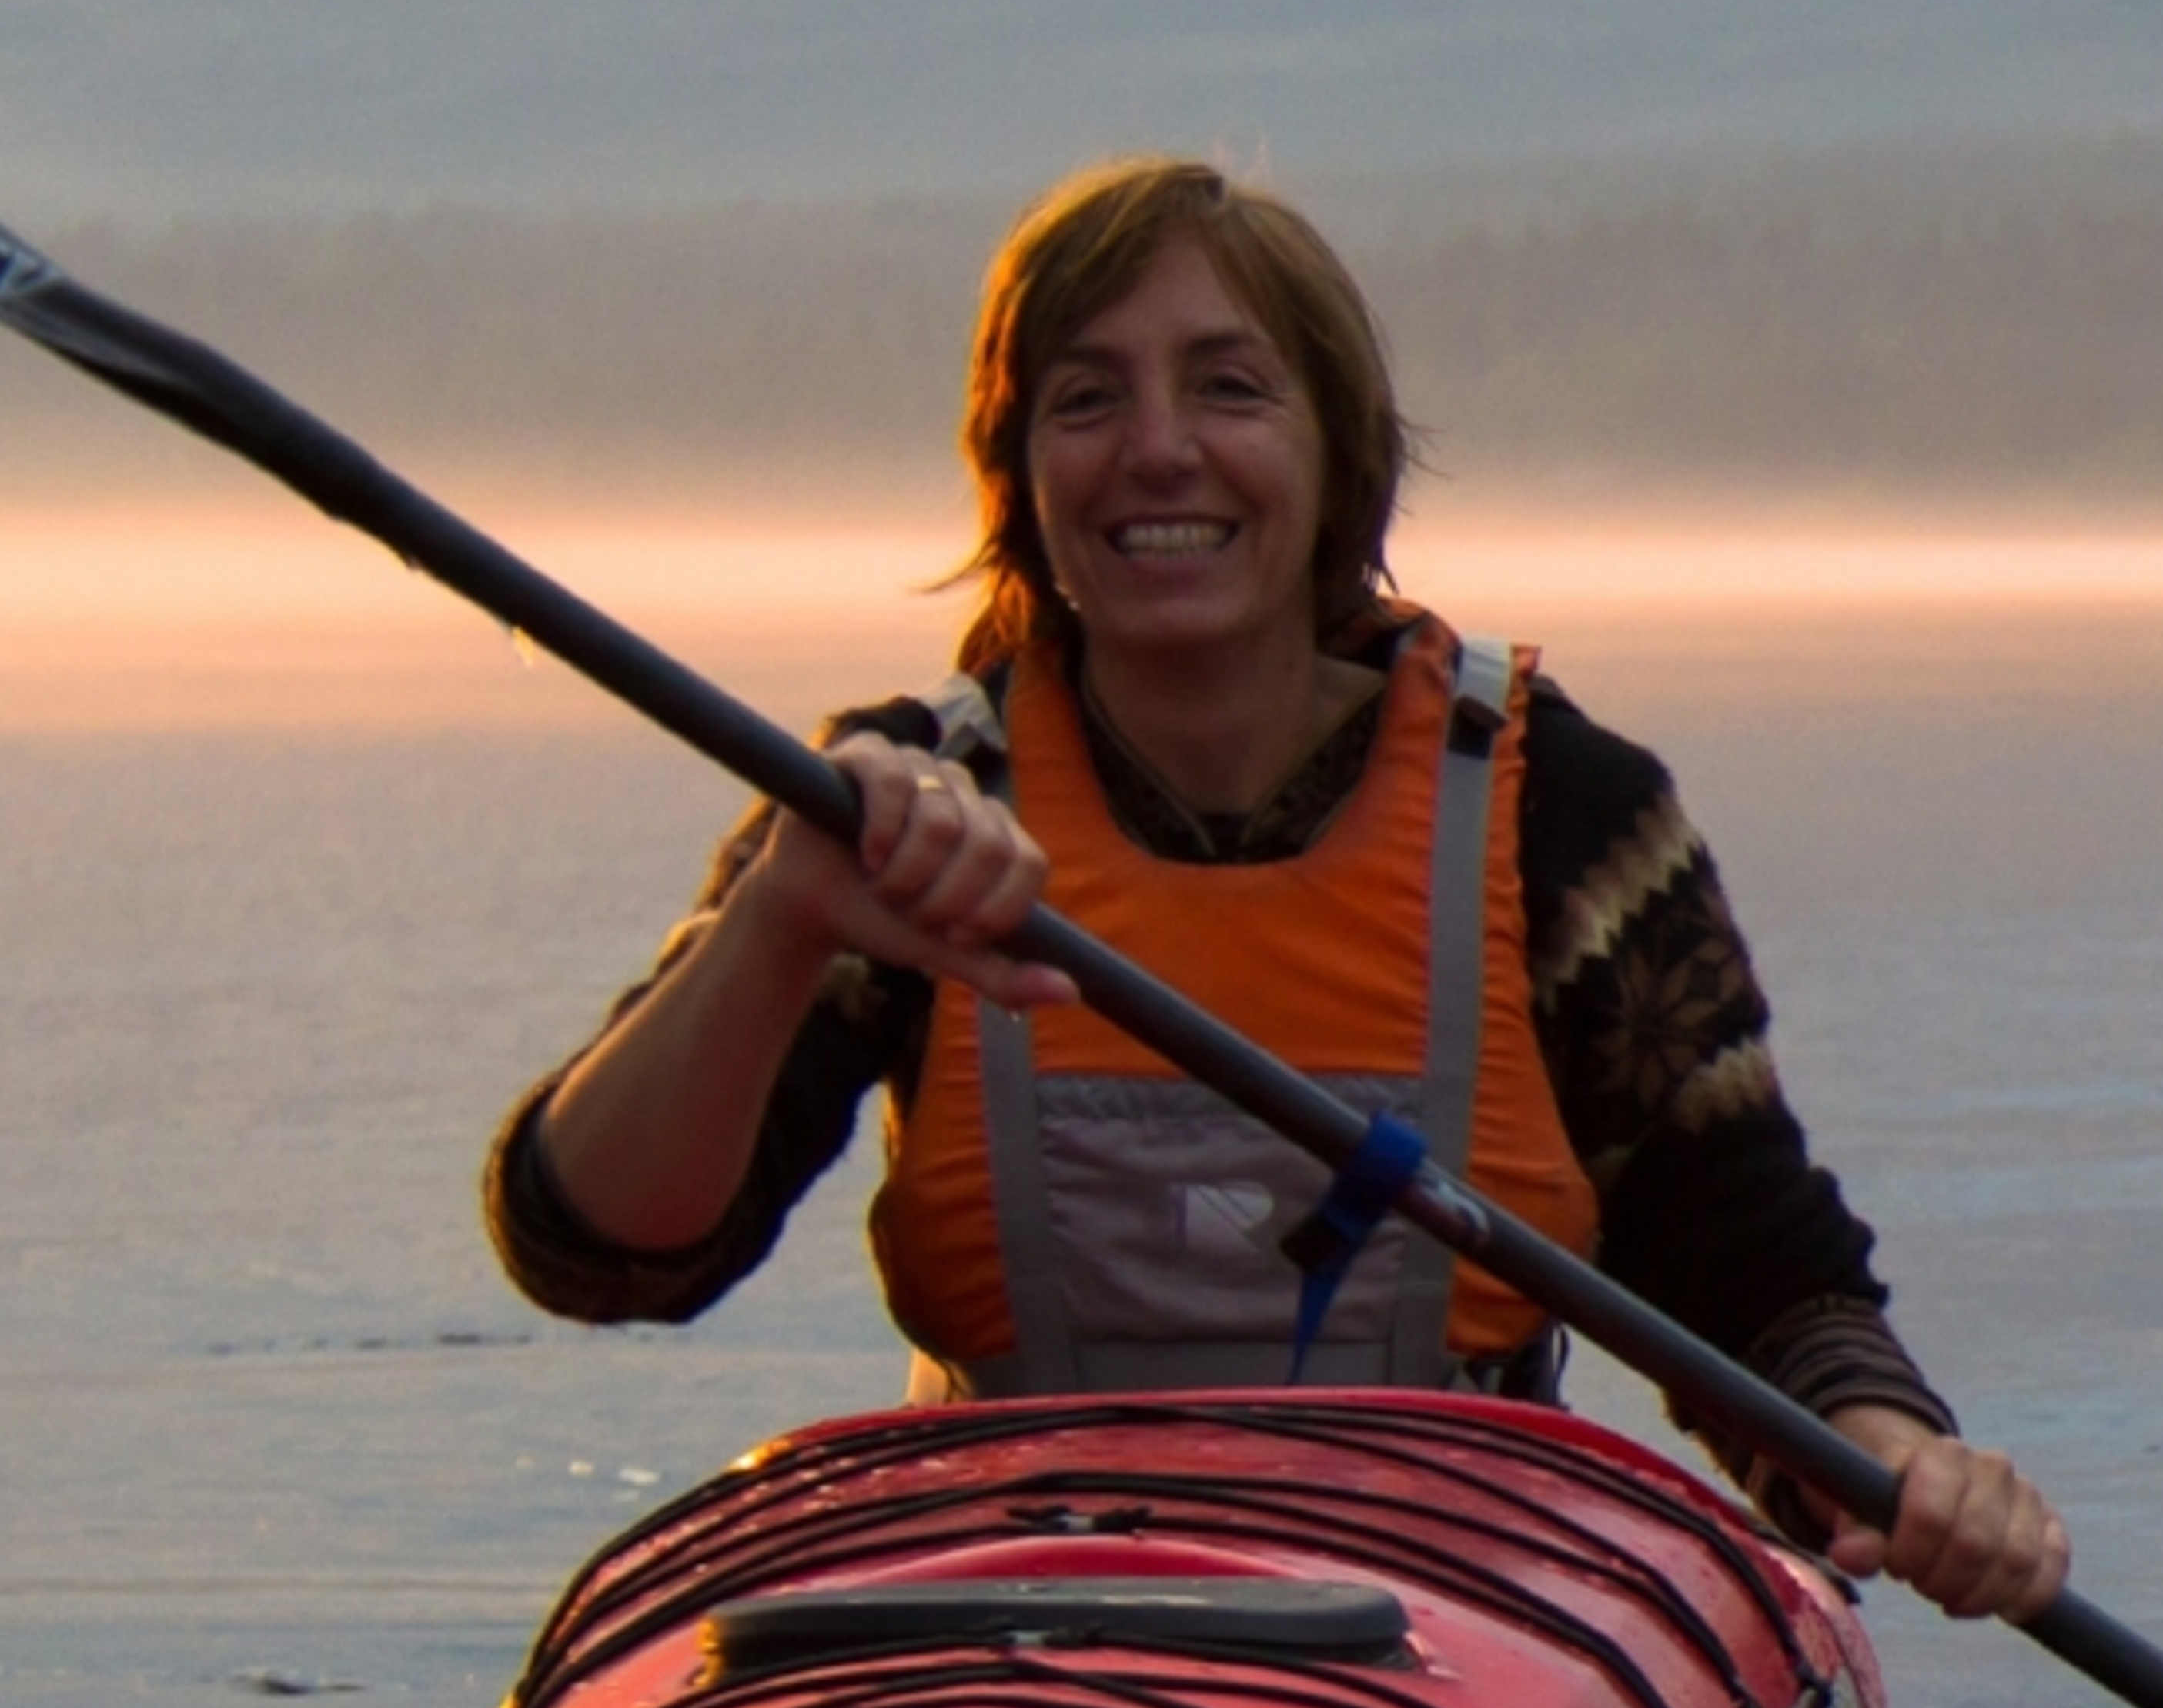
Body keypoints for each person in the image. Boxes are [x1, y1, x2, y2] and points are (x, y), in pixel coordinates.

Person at [486, 159, 2068, 1625]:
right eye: (1085, 399)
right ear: (1019, 470)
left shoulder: (1566, 816)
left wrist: (1896, 1458)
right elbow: (603, 1251)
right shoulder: (901, 810)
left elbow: (1753, 1278)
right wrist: (781, 917)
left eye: (1230, 388)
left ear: (1335, 454)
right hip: (1018, 1623)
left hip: (1470, 1625)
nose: (1158, 448)